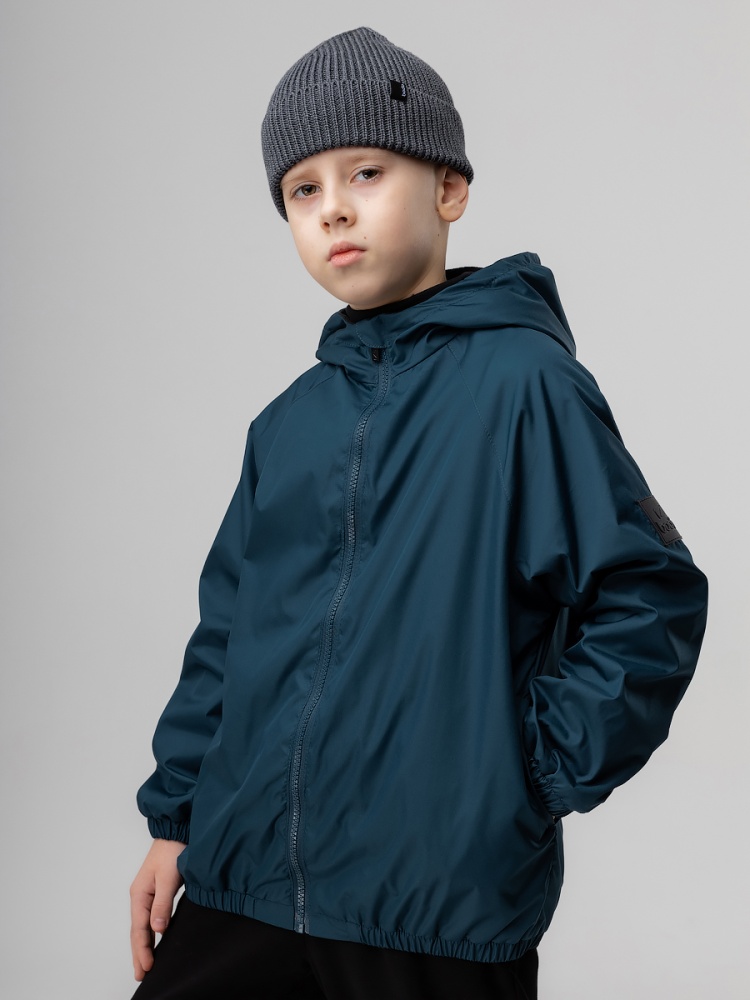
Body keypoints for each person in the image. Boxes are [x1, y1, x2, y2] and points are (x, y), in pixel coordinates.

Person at [129, 26, 708, 1000]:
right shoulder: (288, 423)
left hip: (434, 911)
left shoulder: (525, 385)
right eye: (302, 189)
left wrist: (522, 776)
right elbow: (226, 635)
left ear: (449, 189)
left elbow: (650, 595)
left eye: (366, 171)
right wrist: (174, 820)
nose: (333, 206)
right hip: (243, 881)